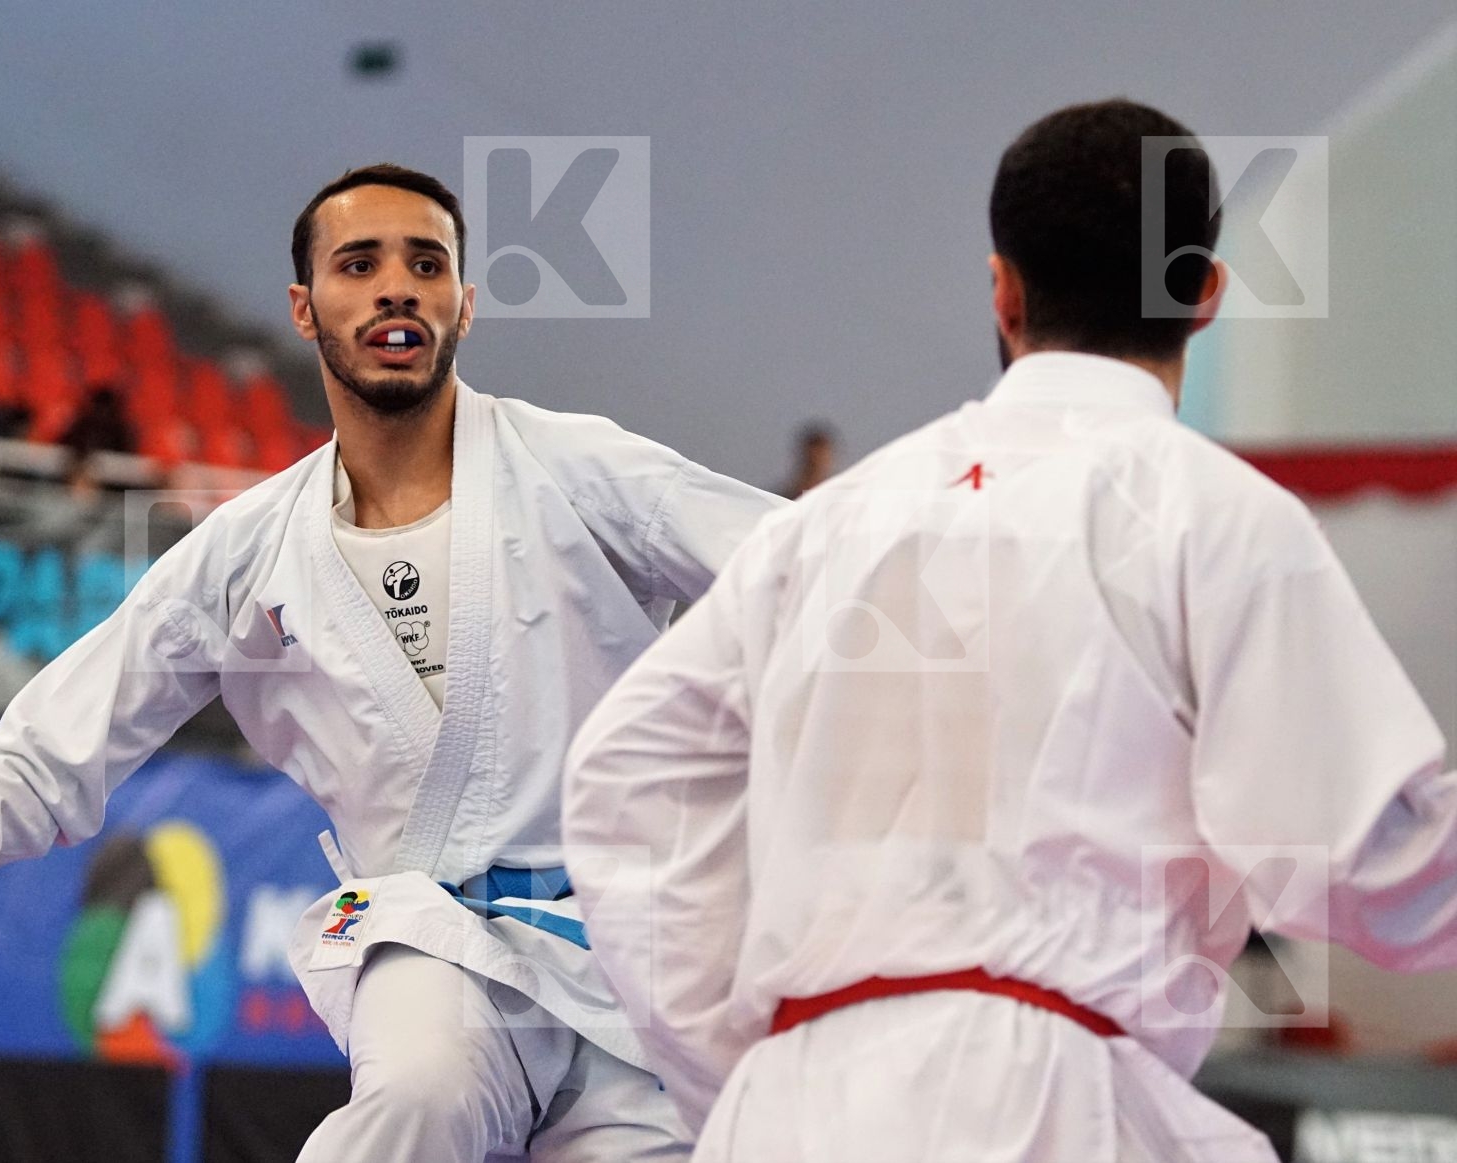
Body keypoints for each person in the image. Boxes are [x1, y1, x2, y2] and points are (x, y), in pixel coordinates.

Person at [562, 98, 1457, 1162]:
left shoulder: (824, 525)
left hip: (787, 1103)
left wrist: (735, 1062)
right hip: (1040, 1101)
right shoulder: (1213, 511)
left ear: (1003, 287)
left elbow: (622, 783)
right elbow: (1370, 852)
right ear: (1207, 292)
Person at [0, 163, 782, 1160]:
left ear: (463, 302)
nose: (398, 285)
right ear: (305, 308)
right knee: (417, 1101)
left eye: (427, 263)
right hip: (431, 943)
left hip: (633, 957)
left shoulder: (577, 469)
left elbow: (807, 570)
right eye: (359, 263)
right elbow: (64, 734)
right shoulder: (247, 550)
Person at [776, 421, 837, 498]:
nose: (816, 463)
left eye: (821, 458)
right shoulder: (782, 501)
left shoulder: (838, 499)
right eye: (811, 463)